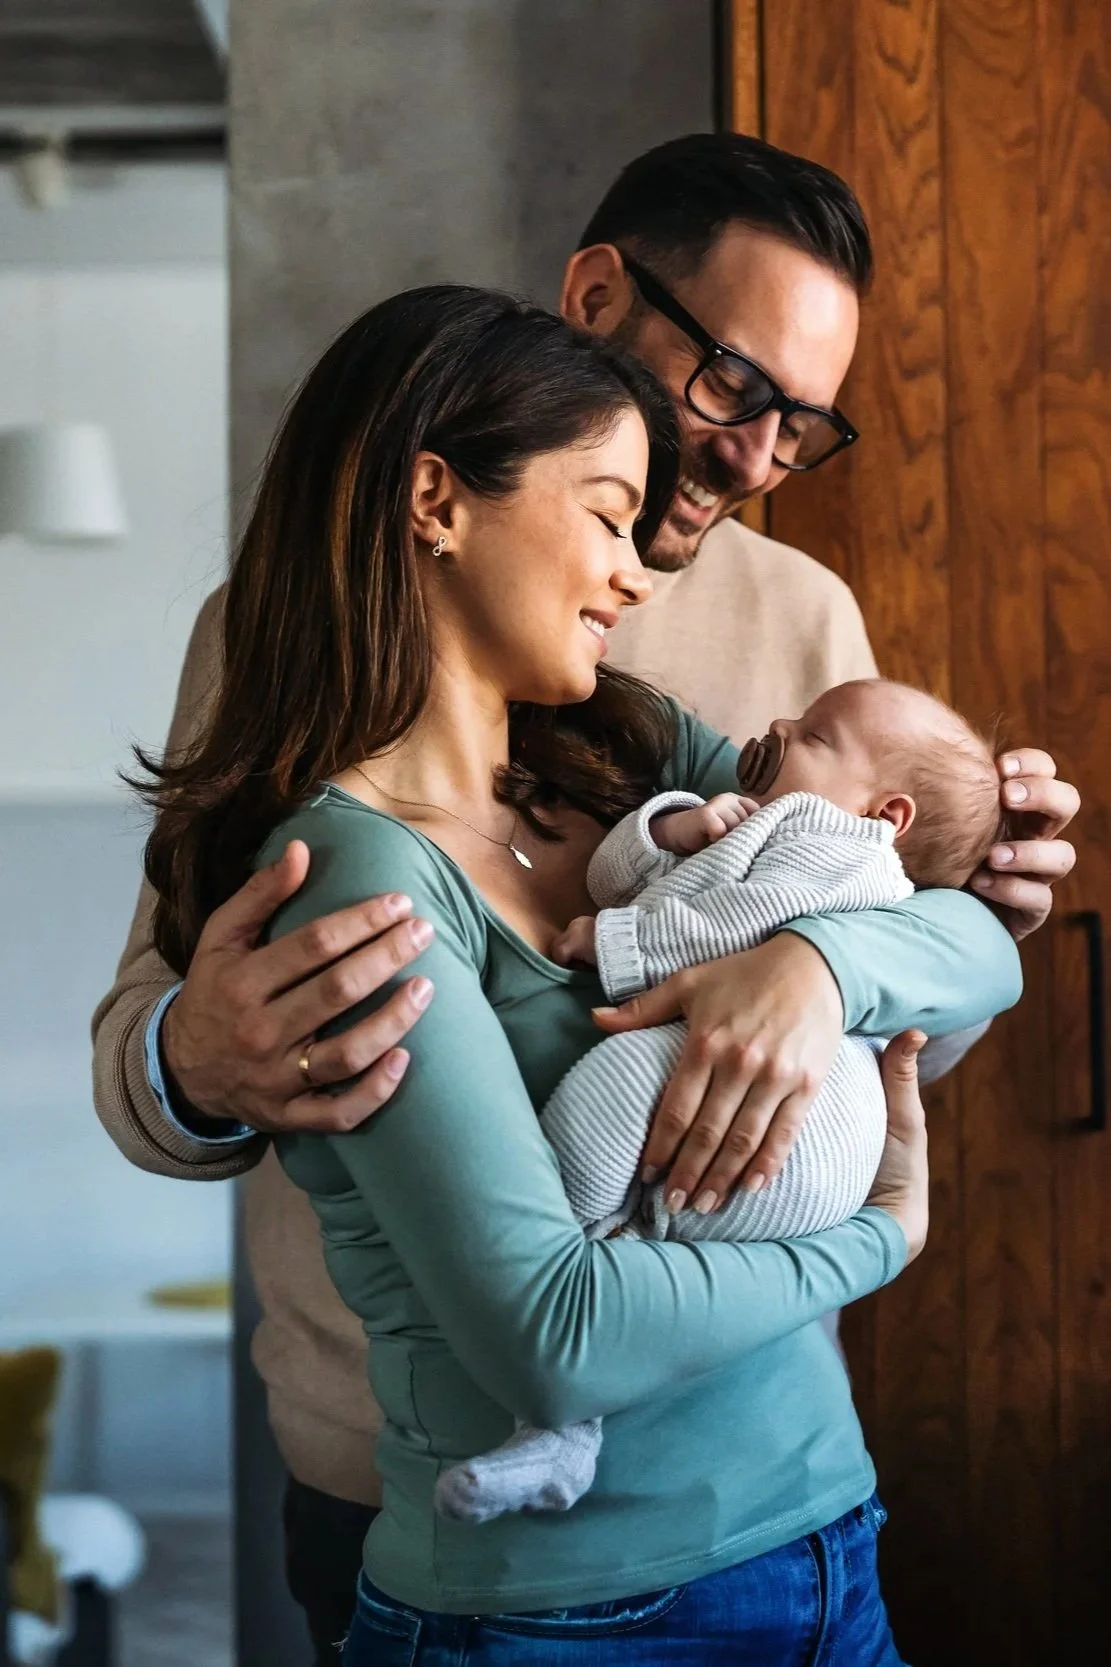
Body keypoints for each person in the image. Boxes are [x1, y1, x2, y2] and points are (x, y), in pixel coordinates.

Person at [91, 133, 1077, 1658]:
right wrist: (197, 1061)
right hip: (445, 1492)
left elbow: (899, 990)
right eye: (735, 390)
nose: (756, 460)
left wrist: (843, 957)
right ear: (599, 293)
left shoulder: (673, 691)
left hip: (799, 1491)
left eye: (802, 427)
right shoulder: (311, 719)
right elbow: (154, 1032)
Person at [435, 679, 1011, 1526]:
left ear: (885, 813)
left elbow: (738, 928)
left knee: (603, 1093)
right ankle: (572, 1405)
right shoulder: (761, 818)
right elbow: (618, 874)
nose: (778, 725)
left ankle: (565, 1388)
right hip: (800, 1145)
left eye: (814, 734)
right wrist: (674, 827)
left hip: (804, 1124)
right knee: (637, 1200)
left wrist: (615, 940)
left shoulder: (840, 845)